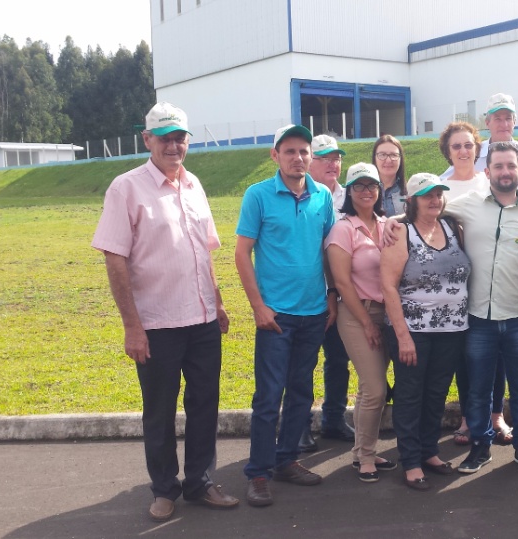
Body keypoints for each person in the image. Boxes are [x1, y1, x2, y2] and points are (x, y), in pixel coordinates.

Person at [92, 102, 240, 521]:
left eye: (180, 138)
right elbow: (115, 258)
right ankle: (163, 489)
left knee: (204, 404)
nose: (173, 146)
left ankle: (200, 482)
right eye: (164, 138)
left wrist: (219, 301)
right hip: (156, 324)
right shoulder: (127, 187)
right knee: (159, 409)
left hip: (202, 319)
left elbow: (205, 251)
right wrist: (132, 326)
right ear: (147, 140)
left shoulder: (194, 184)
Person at [236, 124, 335, 507]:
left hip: (313, 312)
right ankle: (258, 473)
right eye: (289, 151)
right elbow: (242, 253)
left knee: (301, 392)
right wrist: (258, 306)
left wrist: (332, 294)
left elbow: (327, 250)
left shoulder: (322, 196)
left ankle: (287, 460)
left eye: (304, 152)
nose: (298, 158)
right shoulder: (258, 195)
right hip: (276, 315)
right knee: (269, 395)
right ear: (274, 155)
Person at [443, 94, 518, 402]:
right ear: (487, 122)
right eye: (498, 118)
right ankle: (484, 409)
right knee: (486, 329)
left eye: (509, 118)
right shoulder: (477, 156)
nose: (504, 123)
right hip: (479, 250)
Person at [448, 141, 518, 474]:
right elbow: (429, 208)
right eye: (499, 166)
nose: (505, 172)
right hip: (477, 319)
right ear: (487, 171)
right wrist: (394, 221)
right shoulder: (468, 205)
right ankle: (480, 447)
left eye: (511, 166)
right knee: (477, 390)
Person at [381, 173, 472, 490]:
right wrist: (403, 336)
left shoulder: (452, 227)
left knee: (436, 392)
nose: (434, 199)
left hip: (452, 328)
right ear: (412, 200)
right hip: (413, 330)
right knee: (410, 393)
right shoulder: (401, 232)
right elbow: (389, 287)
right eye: (426, 195)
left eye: (438, 194)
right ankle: (410, 461)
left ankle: (429, 450)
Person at [325, 162, 397, 483]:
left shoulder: (387, 224)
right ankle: (366, 456)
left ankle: (360, 450)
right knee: (376, 390)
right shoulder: (343, 228)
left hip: (386, 313)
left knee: (370, 387)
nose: (366, 192)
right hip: (356, 315)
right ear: (349, 192)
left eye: (372, 186)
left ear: (379, 191)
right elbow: (342, 283)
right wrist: (367, 322)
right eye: (359, 187)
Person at [298, 134, 356, 453]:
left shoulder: (350, 197)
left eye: (337, 158)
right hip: (308, 293)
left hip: (343, 292)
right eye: (325, 158)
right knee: (304, 362)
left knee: (338, 359)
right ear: (310, 162)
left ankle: (333, 418)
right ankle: (301, 424)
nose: (333, 164)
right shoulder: (303, 194)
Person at [436, 121, 488, 446]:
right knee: (460, 355)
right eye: (456, 146)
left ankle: (486, 416)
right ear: (448, 151)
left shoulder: (489, 182)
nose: (463, 151)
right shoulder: (438, 187)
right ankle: (467, 417)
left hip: (487, 280)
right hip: (451, 286)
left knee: (485, 354)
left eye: (468, 145)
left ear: (477, 148)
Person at [372, 134, 408, 217]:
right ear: (375, 158)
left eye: (394, 155)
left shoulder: (410, 193)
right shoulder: (365, 193)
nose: (388, 160)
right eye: (382, 155)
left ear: (400, 159)